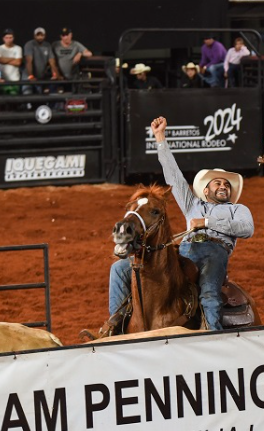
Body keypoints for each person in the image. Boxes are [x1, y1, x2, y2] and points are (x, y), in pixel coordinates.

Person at [108, 116, 254, 331]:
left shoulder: (238, 209)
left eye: (226, 184)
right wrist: (160, 138)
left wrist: (206, 222)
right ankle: (115, 323)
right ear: (205, 190)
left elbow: (247, 229)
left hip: (214, 253)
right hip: (184, 251)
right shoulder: (191, 203)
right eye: (218, 183)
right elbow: (173, 176)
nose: (223, 186)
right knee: (120, 269)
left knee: (209, 293)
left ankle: (213, 335)